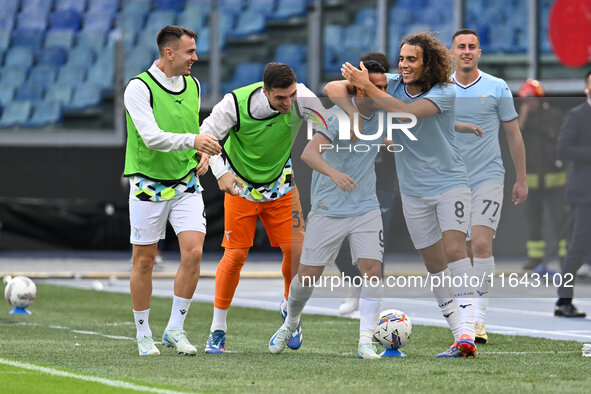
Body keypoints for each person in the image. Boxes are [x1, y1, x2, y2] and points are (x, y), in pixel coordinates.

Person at [326, 32, 479, 358]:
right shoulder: (392, 82)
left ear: (429, 63)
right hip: (412, 191)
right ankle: (458, 338)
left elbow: (405, 113)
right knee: (434, 264)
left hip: (451, 183)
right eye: (402, 58)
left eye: (412, 59)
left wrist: (366, 86)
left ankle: (467, 333)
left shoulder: (445, 90)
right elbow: (334, 88)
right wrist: (354, 102)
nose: (404, 65)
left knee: (454, 250)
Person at [200, 62, 324, 353]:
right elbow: (207, 134)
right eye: (280, 98)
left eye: (291, 95)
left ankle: (291, 316)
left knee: (297, 252)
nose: (288, 103)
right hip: (241, 187)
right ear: (265, 91)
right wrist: (221, 173)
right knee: (235, 255)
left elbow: (327, 125)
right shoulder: (234, 104)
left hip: (281, 184)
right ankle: (218, 329)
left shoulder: (303, 98)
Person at [268, 61, 389, 359]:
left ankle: (365, 342)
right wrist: (334, 174)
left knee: (372, 272)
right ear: (359, 89)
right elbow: (309, 154)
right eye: (378, 87)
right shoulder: (335, 117)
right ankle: (291, 320)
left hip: (366, 207)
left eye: (385, 87)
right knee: (307, 277)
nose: (383, 92)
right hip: (328, 209)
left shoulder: (384, 114)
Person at [123, 25, 222, 356]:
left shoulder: (193, 84)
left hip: (186, 182)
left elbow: (189, 129)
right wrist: (193, 141)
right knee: (145, 261)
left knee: (193, 252)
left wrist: (200, 152)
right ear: (169, 53)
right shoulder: (138, 88)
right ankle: (142, 333)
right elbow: (151, 137)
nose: (195, 57)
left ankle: (175, 329)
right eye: (190, 51)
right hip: (148, 184)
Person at [450, 29, 528, 344]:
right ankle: (465, 314)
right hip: (450, 179)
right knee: (459, 250)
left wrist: (521, 178)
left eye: (472, 47)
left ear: (479, 52)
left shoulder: (497, 87)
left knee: (481, 244)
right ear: (452, 53)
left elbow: (513, 135)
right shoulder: (440, 89)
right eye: (461, 47)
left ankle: (478, 320)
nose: (467, 51)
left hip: (488, 176)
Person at [334, 52, 396, 316]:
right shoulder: (353, 95)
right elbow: (331, 87)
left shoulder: (393, 95)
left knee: (374, 244)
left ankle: (371, 300)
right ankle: (354, 286)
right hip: (351, 180)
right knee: (339, 243)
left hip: (381, 182)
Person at [517, 79, 568, 271]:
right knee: (533, 221)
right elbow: (516, 138)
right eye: (525, 101)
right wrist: (523, 116)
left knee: (561, 220)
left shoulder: (554, 116)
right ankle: (535, 258)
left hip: (554, 180)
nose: (529, 104)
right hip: (532, 182)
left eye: (531, 100)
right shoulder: (522, 120)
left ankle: (565, 257)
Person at [554, 70, 591, 318]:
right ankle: (563, 301)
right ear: (586, 88)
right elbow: (563, 149)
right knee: (577, 248)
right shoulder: (577, 115)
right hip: (585, 194)